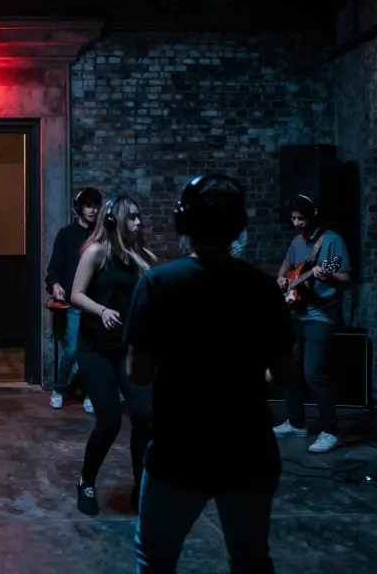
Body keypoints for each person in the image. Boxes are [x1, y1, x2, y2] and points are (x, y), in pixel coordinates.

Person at [127, 174, 298, 573]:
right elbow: (286, 376)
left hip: (179, 450)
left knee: (155, 557)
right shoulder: (263, 288)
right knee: (251, 558)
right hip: (249, 449)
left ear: (182, 223)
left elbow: (138, 372)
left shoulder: (157, 285)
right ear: (238, 227)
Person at [69, 194, 157, 516]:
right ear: (114, 220)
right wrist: (102, 309)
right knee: (108, 422)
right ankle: (86, 481)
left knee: (144, 418)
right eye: (131, 217)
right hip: (94, 348)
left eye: (138, 217)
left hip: (126, 347)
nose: (138, 223)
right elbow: (76, 294)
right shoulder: (95, 252)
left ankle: (142, 486)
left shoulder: (139, 256)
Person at [271, 194, 351, 454]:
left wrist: (326, 276)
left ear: (313, 215)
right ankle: (296, 422)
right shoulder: (296, 241)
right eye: (293, 218)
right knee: (288, 368)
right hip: (297, 314)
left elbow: (347, 279)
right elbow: (287, 264)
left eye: (301, 218)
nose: (297, 223)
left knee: (313, 372)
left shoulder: (332, 241)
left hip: (321, 316)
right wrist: (282, 278)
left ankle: (331, 431)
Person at [46, 186, 103, 411]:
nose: (93, 210)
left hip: (97, 303)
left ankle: (91, 393)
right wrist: (56, 285)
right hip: (74, 303)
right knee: (72, 350)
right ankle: (59, 389)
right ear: (79, 207)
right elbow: (54, 268)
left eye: (96, 205)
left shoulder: (101, 235)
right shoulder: (67, 234)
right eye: (88, 205)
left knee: (95, 351)